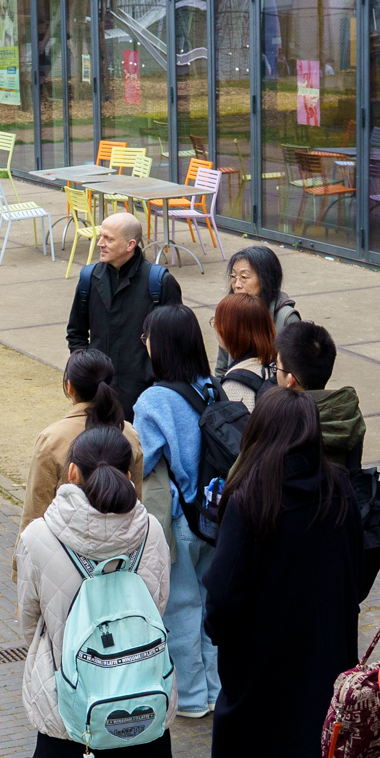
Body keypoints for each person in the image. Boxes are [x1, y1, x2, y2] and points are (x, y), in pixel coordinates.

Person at [171, 388, 361, 758]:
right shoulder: (337, 489)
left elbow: (225, 589)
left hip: (257, 658)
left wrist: (218, 632)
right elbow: (354, 573)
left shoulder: (250, 493)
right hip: (323, 658)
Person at [17, 427, 172, 758]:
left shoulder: (40, 537)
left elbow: (28, 619)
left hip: (74, 707)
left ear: (73, 474)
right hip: (141, 698)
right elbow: (159, 600)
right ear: (129, 474)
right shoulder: (150, 529)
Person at [133, 305, 222, 719]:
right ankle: (217, 691)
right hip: (217, 516)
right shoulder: (211, 387)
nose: (145, 344)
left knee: (183, 608)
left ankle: (189, 697)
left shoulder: (154, 400)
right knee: (211, 607)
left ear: (163, 345)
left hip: (182, 519)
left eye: (148, 336)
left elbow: (145, 462)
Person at [66, 211, 180, 417]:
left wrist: (154, 378)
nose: (100, 243)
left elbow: (175, 343)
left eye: (108, 239)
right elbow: (76, 333)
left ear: (130, 245)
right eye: (101, 236)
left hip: (143, 395)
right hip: (96, 394)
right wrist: (84, 373)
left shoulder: (160, 283)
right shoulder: (88, 279)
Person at [23, 348, 146, 528]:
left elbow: (35, 511)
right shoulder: (128, 433)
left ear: (69, 386)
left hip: (66, 548)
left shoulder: (51, 440)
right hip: (120, 545)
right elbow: (137, 501)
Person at [275, 320, 366, 468]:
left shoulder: (278, 421)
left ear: (290, 380)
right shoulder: (348, 414)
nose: (276, 372)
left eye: (277, 366)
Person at [213, 245, 297, 377]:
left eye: (244, 277)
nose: (237, 284)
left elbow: (293, 376)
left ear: (266, 279)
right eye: (233, 276)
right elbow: (221, 369)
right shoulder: (232, 312)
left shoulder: (286, 319)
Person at [213, 293, 279, 411]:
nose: (215, 328)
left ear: (233, 331)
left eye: (218, 323)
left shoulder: (235, 386)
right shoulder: (273, 365)